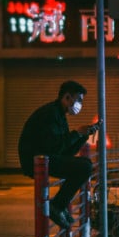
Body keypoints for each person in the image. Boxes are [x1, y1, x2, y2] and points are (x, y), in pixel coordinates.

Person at [18, 80, 100, 229]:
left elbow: (65, 150)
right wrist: (76, 133)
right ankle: (57, 206)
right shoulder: (50, 114)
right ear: (67, 97)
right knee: (84, 167)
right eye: (79, 100)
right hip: (37, 160)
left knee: (85, 165)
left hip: (47, 156)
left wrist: (83, 135)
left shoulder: (59, 115)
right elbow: (55, 146)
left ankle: (59, 206)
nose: (80, 104)